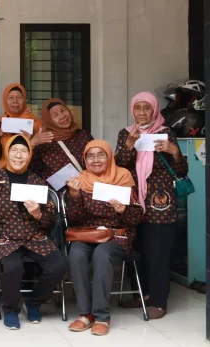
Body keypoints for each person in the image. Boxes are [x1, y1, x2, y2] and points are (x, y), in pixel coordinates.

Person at [0, 135, 67, 330]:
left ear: (29, 154)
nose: (18, 155)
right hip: (3, 237)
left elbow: (50, 220)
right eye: (14, 150)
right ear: (7, 153)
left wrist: (38, 214)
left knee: (58, 264)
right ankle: (10, 309)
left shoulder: (36, 181)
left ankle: (33, 302)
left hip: (33, 237)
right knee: (13, 267)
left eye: (23, 151)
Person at [115, 92, 187, 319]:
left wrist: (174, 152)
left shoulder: (166, 134)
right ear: (132, 110)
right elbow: (119, 167)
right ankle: (142, 294)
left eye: (147, 108)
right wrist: (128, 145)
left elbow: (182, 172)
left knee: (158, 253)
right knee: (138, 250)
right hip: (134, 202)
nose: (142, 113)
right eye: (138, 108)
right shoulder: (125, 133)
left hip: (160, 204)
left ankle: (158, 301)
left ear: (155, 110)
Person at [65, 140, 144, 336]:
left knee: (102, 254)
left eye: (101, 155)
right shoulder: (81, 181)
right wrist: (74, 196)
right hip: (87, 233)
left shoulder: (123, 176)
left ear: (109, 157)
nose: (96, 160)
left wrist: (123, 210)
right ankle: (85, 314)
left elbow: (137, 218)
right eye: (90, 156)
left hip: (117, 235)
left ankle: (101, 316)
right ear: (85, 159)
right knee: (76, 254)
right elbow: (74, 218)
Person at [32, 98, 93, 184]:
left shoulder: (83, 135)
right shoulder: (45, 143)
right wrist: (31, 144)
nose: (62, 116)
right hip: (59, 195)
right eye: (55, 115)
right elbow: (34, 173)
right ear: (49, 120)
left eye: (63, 110)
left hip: (87, 190)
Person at [0, 84, 50, 169]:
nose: (15, 101)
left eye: (19, 97)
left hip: (30, 172)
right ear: (5, 100)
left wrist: (30, 142)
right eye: (11, 98)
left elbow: (44, 157)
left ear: (24, 100)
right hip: (4, 172)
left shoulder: (36, 122)